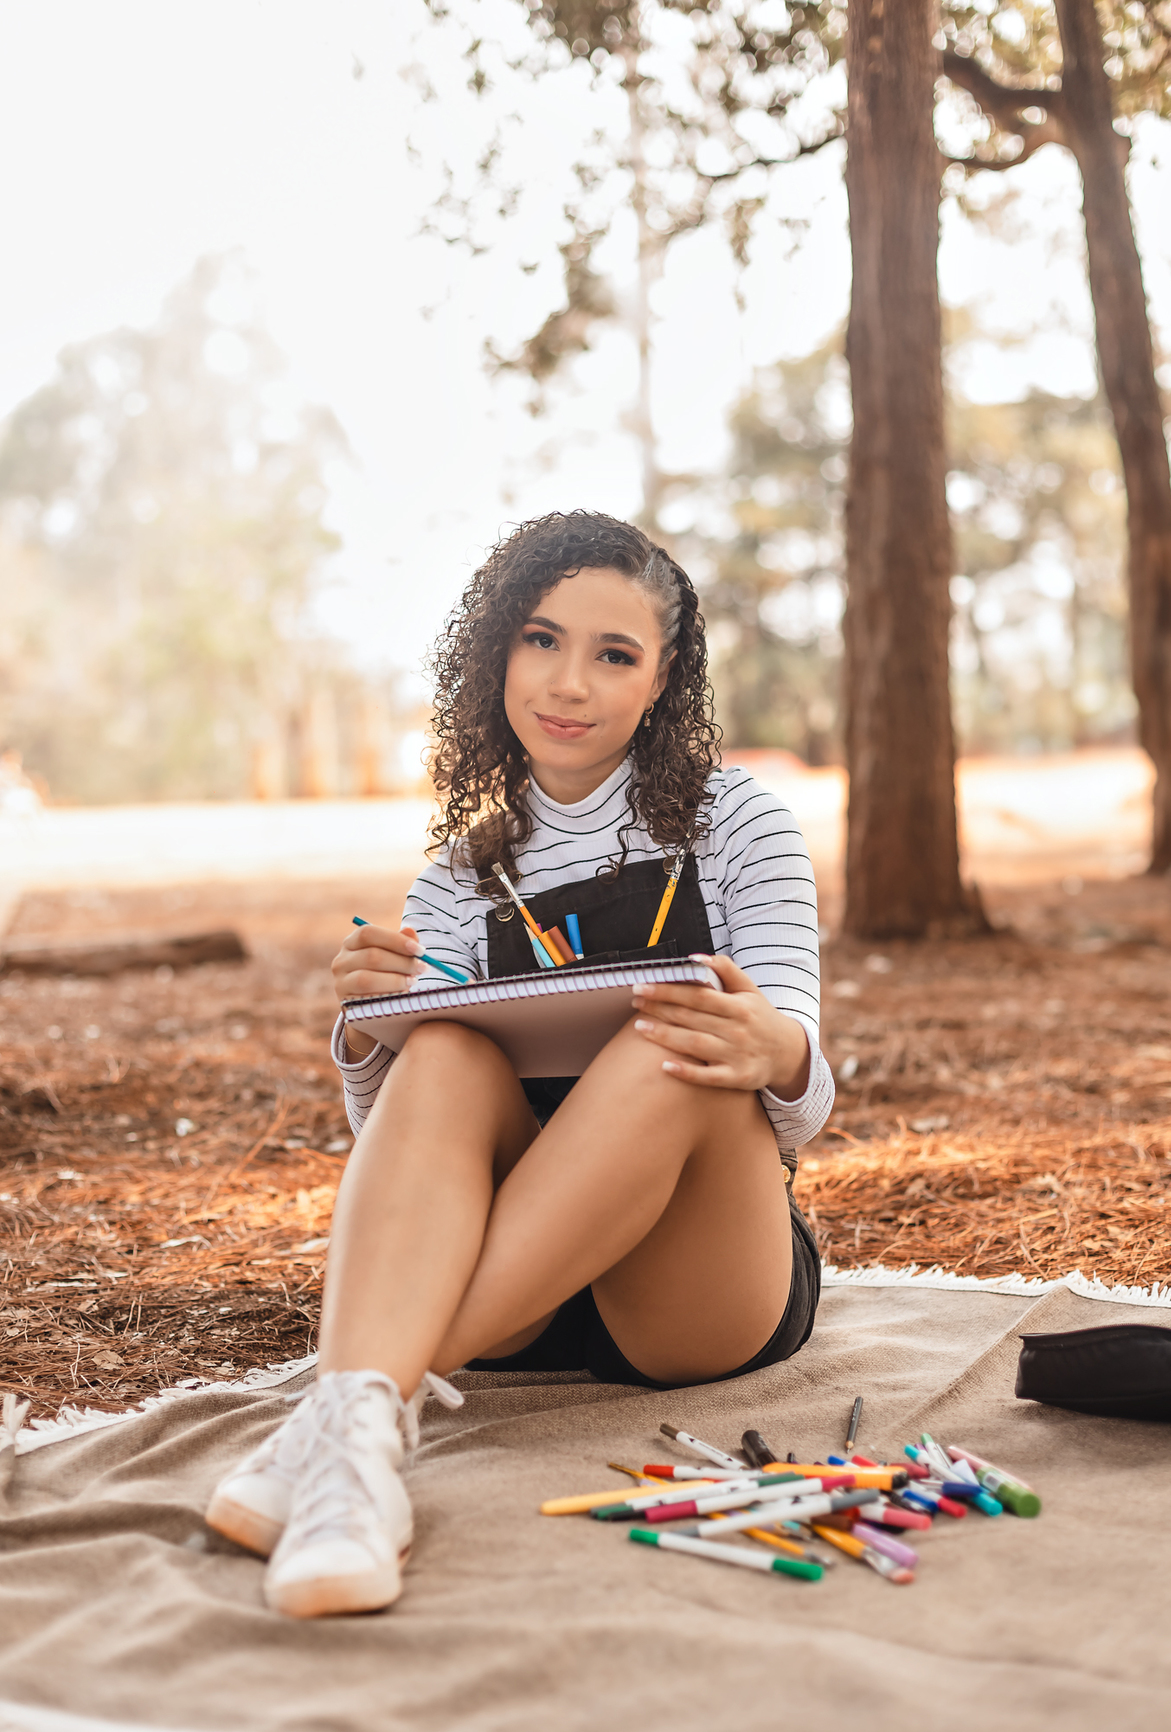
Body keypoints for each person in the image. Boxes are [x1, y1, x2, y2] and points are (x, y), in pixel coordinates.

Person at [206, 512, 834, 1618]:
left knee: (669, 1037)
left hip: (692, 1287)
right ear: (497, 648)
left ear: (661, 679)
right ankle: (357, 1445)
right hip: (515, 1301)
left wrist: (773, 1048)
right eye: (542, 639)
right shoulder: (458, 875)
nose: (569, 683)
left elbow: (799, 1104)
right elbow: (397, 1142)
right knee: (445, 1044)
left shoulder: (740, 824)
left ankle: (345, 1404)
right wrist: (368, 1032)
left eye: (614, 654)